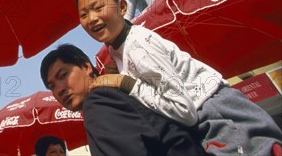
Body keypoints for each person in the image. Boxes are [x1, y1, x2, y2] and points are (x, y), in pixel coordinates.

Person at [76, 0, 282, 155]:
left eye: (98, 7)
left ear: (122, 7)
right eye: (83, 14)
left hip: (218, 116)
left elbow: (184, 111)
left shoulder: (139, 47)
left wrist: (126, 83)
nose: (91, 18)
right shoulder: (117, 50)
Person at [41, 43, 208, 156]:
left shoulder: (97, 101)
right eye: (52, 87)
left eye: (63, 75)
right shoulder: (112, 94)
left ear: (86, 67)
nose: (59, 89)